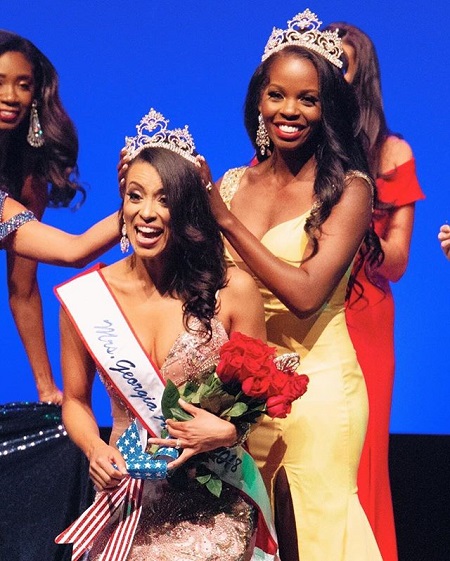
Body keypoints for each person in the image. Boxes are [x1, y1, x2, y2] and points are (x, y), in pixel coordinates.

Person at [197, 9, 384, 561]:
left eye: (308, 99)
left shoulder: (350, 189)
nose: (290, 111)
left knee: (318, 536)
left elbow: (305, 296)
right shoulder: (232, 182)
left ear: (328, 109)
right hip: (243, 394)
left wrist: (225, 222)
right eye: (278, 94)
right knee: (248, 536)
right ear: (260, 98)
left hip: (320, 389)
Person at [56, 109, 278, 561]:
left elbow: (262, 392)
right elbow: (75, 402)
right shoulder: (87, 298)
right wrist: (94, 447)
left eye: (164, 198)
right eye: (135, 196)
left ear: (189, 208)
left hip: (214, 501)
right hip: (129, 499)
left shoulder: (232, 291)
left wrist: (227, 430)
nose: (148, 213)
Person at [324, 22, 425, 561]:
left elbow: (400, 262)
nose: (331, 68)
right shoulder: (291, 143)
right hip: (296, 310)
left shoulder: (390, 151)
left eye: (341, 60)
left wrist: (354, 223)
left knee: (358, 455)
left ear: (361, 72)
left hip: (362, 312)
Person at [0, 29, 84, 404]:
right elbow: (72, 252)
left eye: (23, 84)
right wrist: (142, 209)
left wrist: (47, 388)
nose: (10, 96)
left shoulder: (29, 171)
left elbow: (24, 287)